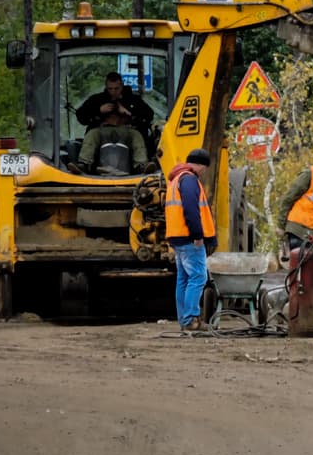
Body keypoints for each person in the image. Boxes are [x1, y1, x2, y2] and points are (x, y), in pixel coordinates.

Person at [165, 148, 217, 333]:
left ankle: (184, 319)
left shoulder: (176, 179)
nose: (204, 171)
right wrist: (197, 235)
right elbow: (191, 209)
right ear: (200, 164)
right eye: (204, 167)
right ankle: (191, 320)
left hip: (177, 236)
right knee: (198, 276)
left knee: (184, 278)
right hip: (189, 238)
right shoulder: (189, 180)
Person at [73, 72, 155, 174]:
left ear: (122, 86)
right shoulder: (97, 99)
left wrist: (128, 112)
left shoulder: (133, 99)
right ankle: (83, 164)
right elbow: (81, 116)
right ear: (106, 87)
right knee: (91, 135)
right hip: (102, 130)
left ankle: (141, 165)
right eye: (110, 89)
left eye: (116, 88)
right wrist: (98, 110)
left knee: (137, 136)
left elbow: (149, 115)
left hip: (126, 130)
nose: (113, 92)